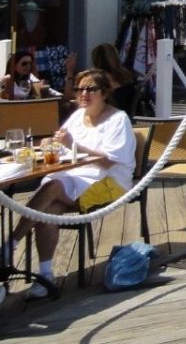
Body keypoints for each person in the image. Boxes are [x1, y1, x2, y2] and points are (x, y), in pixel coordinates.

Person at [4, 69, 136, 299]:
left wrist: (74, 144)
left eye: (90, 89)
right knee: (48, 211)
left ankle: (10, 246)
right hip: (74, 176)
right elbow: (64, 144)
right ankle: (45, 276)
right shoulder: (78, 115)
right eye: (79, 89)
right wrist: (51, 143)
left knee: (52, 187)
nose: (83, 94)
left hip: (108, 181)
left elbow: (109, 161)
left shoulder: (117, 119)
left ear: (104, 93)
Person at [64, 43, 140, 116]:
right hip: (128, 116)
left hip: (106, 118)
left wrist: (69, 71)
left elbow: (69, 96)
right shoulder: (128, 76)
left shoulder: (97, 80)